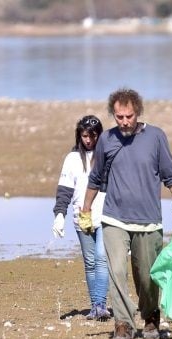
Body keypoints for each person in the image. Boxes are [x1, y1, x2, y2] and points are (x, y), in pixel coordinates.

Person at [79, 88, 172, 339]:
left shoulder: (155, 137)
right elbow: (95, 179)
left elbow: (170, 176)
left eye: (129, 116)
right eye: (119, 117)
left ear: (138, 112)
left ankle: (151, 315)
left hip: (148, 220)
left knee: (147, 276)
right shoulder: (107, 140)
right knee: (116, 271)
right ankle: (122, 325)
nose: (124, 122)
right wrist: (85, 211)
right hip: (114, 219)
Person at [52, 115, 110, 321]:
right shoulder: (72, 159)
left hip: (106, 215)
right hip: (81, 216)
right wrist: (60, 213)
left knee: (102, 259)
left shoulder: (107, 156)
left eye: (92, 136)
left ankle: (102, 305)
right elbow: (65, 189)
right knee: (90, 262)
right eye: (84, 135)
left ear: (99, 135)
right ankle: (94, 306)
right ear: (79, 135)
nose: (88, 140)